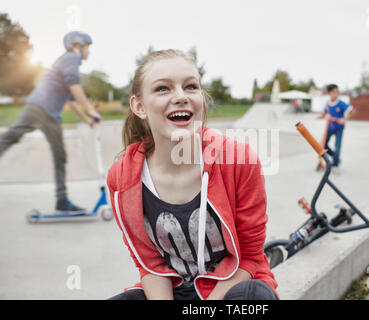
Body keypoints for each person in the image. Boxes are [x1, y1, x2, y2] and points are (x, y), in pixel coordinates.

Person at [107, 49, 278, 300]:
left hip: (231, 287)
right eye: (163, 89)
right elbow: (150, 264)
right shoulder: (122, 177)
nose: (180, 97)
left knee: (254, 298)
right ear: (139, 106)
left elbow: (250, 257)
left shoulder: (238, 160)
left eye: (190, 87)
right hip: (172, 291)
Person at [0, 31, 102, 212]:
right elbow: (74, 86)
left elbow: (71, 101)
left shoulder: (66, 62)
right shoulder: (71, 58)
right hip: (40, 109)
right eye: (88, 47)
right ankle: (62, 201)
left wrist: (87, 120)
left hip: (47, 114)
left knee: (57, 154)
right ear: (78, 45)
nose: (89, 52)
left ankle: (62, 201)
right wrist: (91, 109)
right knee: (11, 137)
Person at [318, 84, 353, 173]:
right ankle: (335, 157)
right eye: (334, 92)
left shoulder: (340, 103)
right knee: (323, 144)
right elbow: (325, 112)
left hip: (339, 128)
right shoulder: (327, 103)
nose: (336, 93)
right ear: (329, 93)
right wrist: (321, 116)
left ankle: (335, 164)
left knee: (337, 146)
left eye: (337, 91)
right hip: (330, 127)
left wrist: (344, 119)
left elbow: (352, 110)